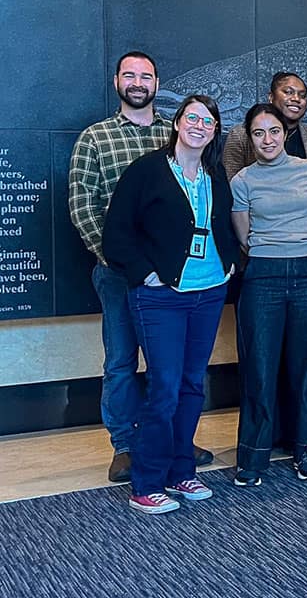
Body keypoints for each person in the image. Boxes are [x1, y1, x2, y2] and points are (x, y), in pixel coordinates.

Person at [102, 95, 238, 514]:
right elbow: (116, 234)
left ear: (214, 131)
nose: (199, 125)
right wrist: (146, 274)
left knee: (192, 384)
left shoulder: (214, 176)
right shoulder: (147, 171)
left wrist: (230, 265)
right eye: (192, 117)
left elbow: (223, 225)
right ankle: (147, 481)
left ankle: (182, 472)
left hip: (209, 291)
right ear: (177, 123)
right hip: (160, 297)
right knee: (163, 386)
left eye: (208, 121)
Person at [68, 51, 187, 484]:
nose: (138, 83)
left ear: (157, 82)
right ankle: (124, 445)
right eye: (130, 75)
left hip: (172, 276)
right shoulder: (95, 138)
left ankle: (171, 439)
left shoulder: (176, 136)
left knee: (167, 363)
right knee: (120, 361)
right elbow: (83, 206)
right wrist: (121, 261)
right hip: (118, 274)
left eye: (146, 76)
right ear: (116, 81)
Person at [230, 104, 307, 486]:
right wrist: (273, 253)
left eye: (273, 131)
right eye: (259, 133)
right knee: (259, 369)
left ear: (285, 133)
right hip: (263, 276)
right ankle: (253, 456)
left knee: (306, 368)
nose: (267, 140)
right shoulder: (242, 180)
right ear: (250, 138)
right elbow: (243, 234)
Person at [222, 71, 307, 179]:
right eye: (288, 92)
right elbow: (232, 185)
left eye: (302, 95)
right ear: (271, 97)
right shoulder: (240, 135)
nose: (296, 98)